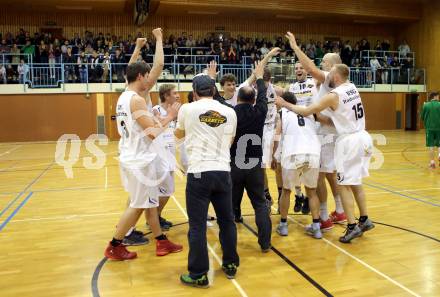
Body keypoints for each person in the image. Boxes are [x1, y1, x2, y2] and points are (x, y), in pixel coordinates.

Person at [276, 64, 375, 243]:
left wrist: (284, 104)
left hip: (349, 141)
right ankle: (364, 218)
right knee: (356, 183)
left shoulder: (333, 95)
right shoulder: (352, 88)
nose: (325, 74)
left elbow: (306, 110)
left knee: (342, 184)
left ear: (335, 77)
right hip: (364, 136)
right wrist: (316, 116)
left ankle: (351, 226)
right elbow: (330, 119)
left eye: (329, 72)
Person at [104, 61, 183, 260]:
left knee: (148, 203)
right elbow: (152, 133)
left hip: (131, 155)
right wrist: (170, 116)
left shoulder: (123, 97)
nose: (149, 79)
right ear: (140, 76)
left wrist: (156, 118)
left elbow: (145, 126)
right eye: (148, 75)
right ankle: (115, 244)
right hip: (140, 160)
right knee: (138, 205)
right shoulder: (137, 100)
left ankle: (161, 241)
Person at [176, 74, 239, 288]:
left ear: (194, 93)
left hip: (199, 172)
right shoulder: (230, 112)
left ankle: (199, 274)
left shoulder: (187, 109)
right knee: (227, 221)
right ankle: (230, 264)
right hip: (222, 171)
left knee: (197, 226)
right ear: (214, 91)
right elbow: (230, 140)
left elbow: (178, 134)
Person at [285, 32, 346, 230]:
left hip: (325, 131)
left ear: (333, 67)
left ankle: (323, 216)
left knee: (318, 174)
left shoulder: (328, 79)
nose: (323, 65)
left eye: (326, 63)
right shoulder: (341, 84)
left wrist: (295, 47)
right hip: (329, 131)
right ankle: (339, 210)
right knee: (330, 173)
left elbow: (310, 67)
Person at [226, 58, 272, 251]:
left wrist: (212, 80)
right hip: (254, 166)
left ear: (237, 99)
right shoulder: (260, 111)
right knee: (260, 205)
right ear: (253, 100)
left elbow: (219, 100)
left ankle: (229, 244)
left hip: (235, 165)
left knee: (229, 206)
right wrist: (260, 78)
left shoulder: (230, 112)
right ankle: (265, 243)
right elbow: (263, 96)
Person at [273, 91, 324, 238]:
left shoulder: (282, 113)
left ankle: (283, 225)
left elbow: (277, 136)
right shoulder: (308, 113)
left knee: (286, 191)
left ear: (282, 101)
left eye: (277, 101)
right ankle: (316, 227)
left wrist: (274, 155)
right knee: (312, 192)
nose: (276, 103)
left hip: (293, 153)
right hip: (313, 153)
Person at [285, 62, 319, 214]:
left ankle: (309, 199)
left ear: (307, 70)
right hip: (295, 126)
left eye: (301, 68)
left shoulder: (313, 83)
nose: (298, 70)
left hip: (312, 126)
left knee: (309, 168)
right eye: (296, 68)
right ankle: (300, 195)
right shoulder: (291, 87)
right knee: (296, 167)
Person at [152, 83, 181, 230]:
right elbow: (153, 132)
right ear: (165, 95)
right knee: (166, 190)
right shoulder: (155, 110)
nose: (178, 95)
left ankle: (156, 216)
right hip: (159, 156)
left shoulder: (175, 111)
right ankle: (153, 218)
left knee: (167, 190)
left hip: (170, 154)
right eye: (174, 93)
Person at [421, 92, 440, 168]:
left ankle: (432, 163)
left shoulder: (426, 105)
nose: (438, 98)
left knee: (431, 145)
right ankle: (439, 155)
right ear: (434, 97)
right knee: (439, 144)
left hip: (429, 128)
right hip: (439, 128)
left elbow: (422, 117)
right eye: (438, 96)